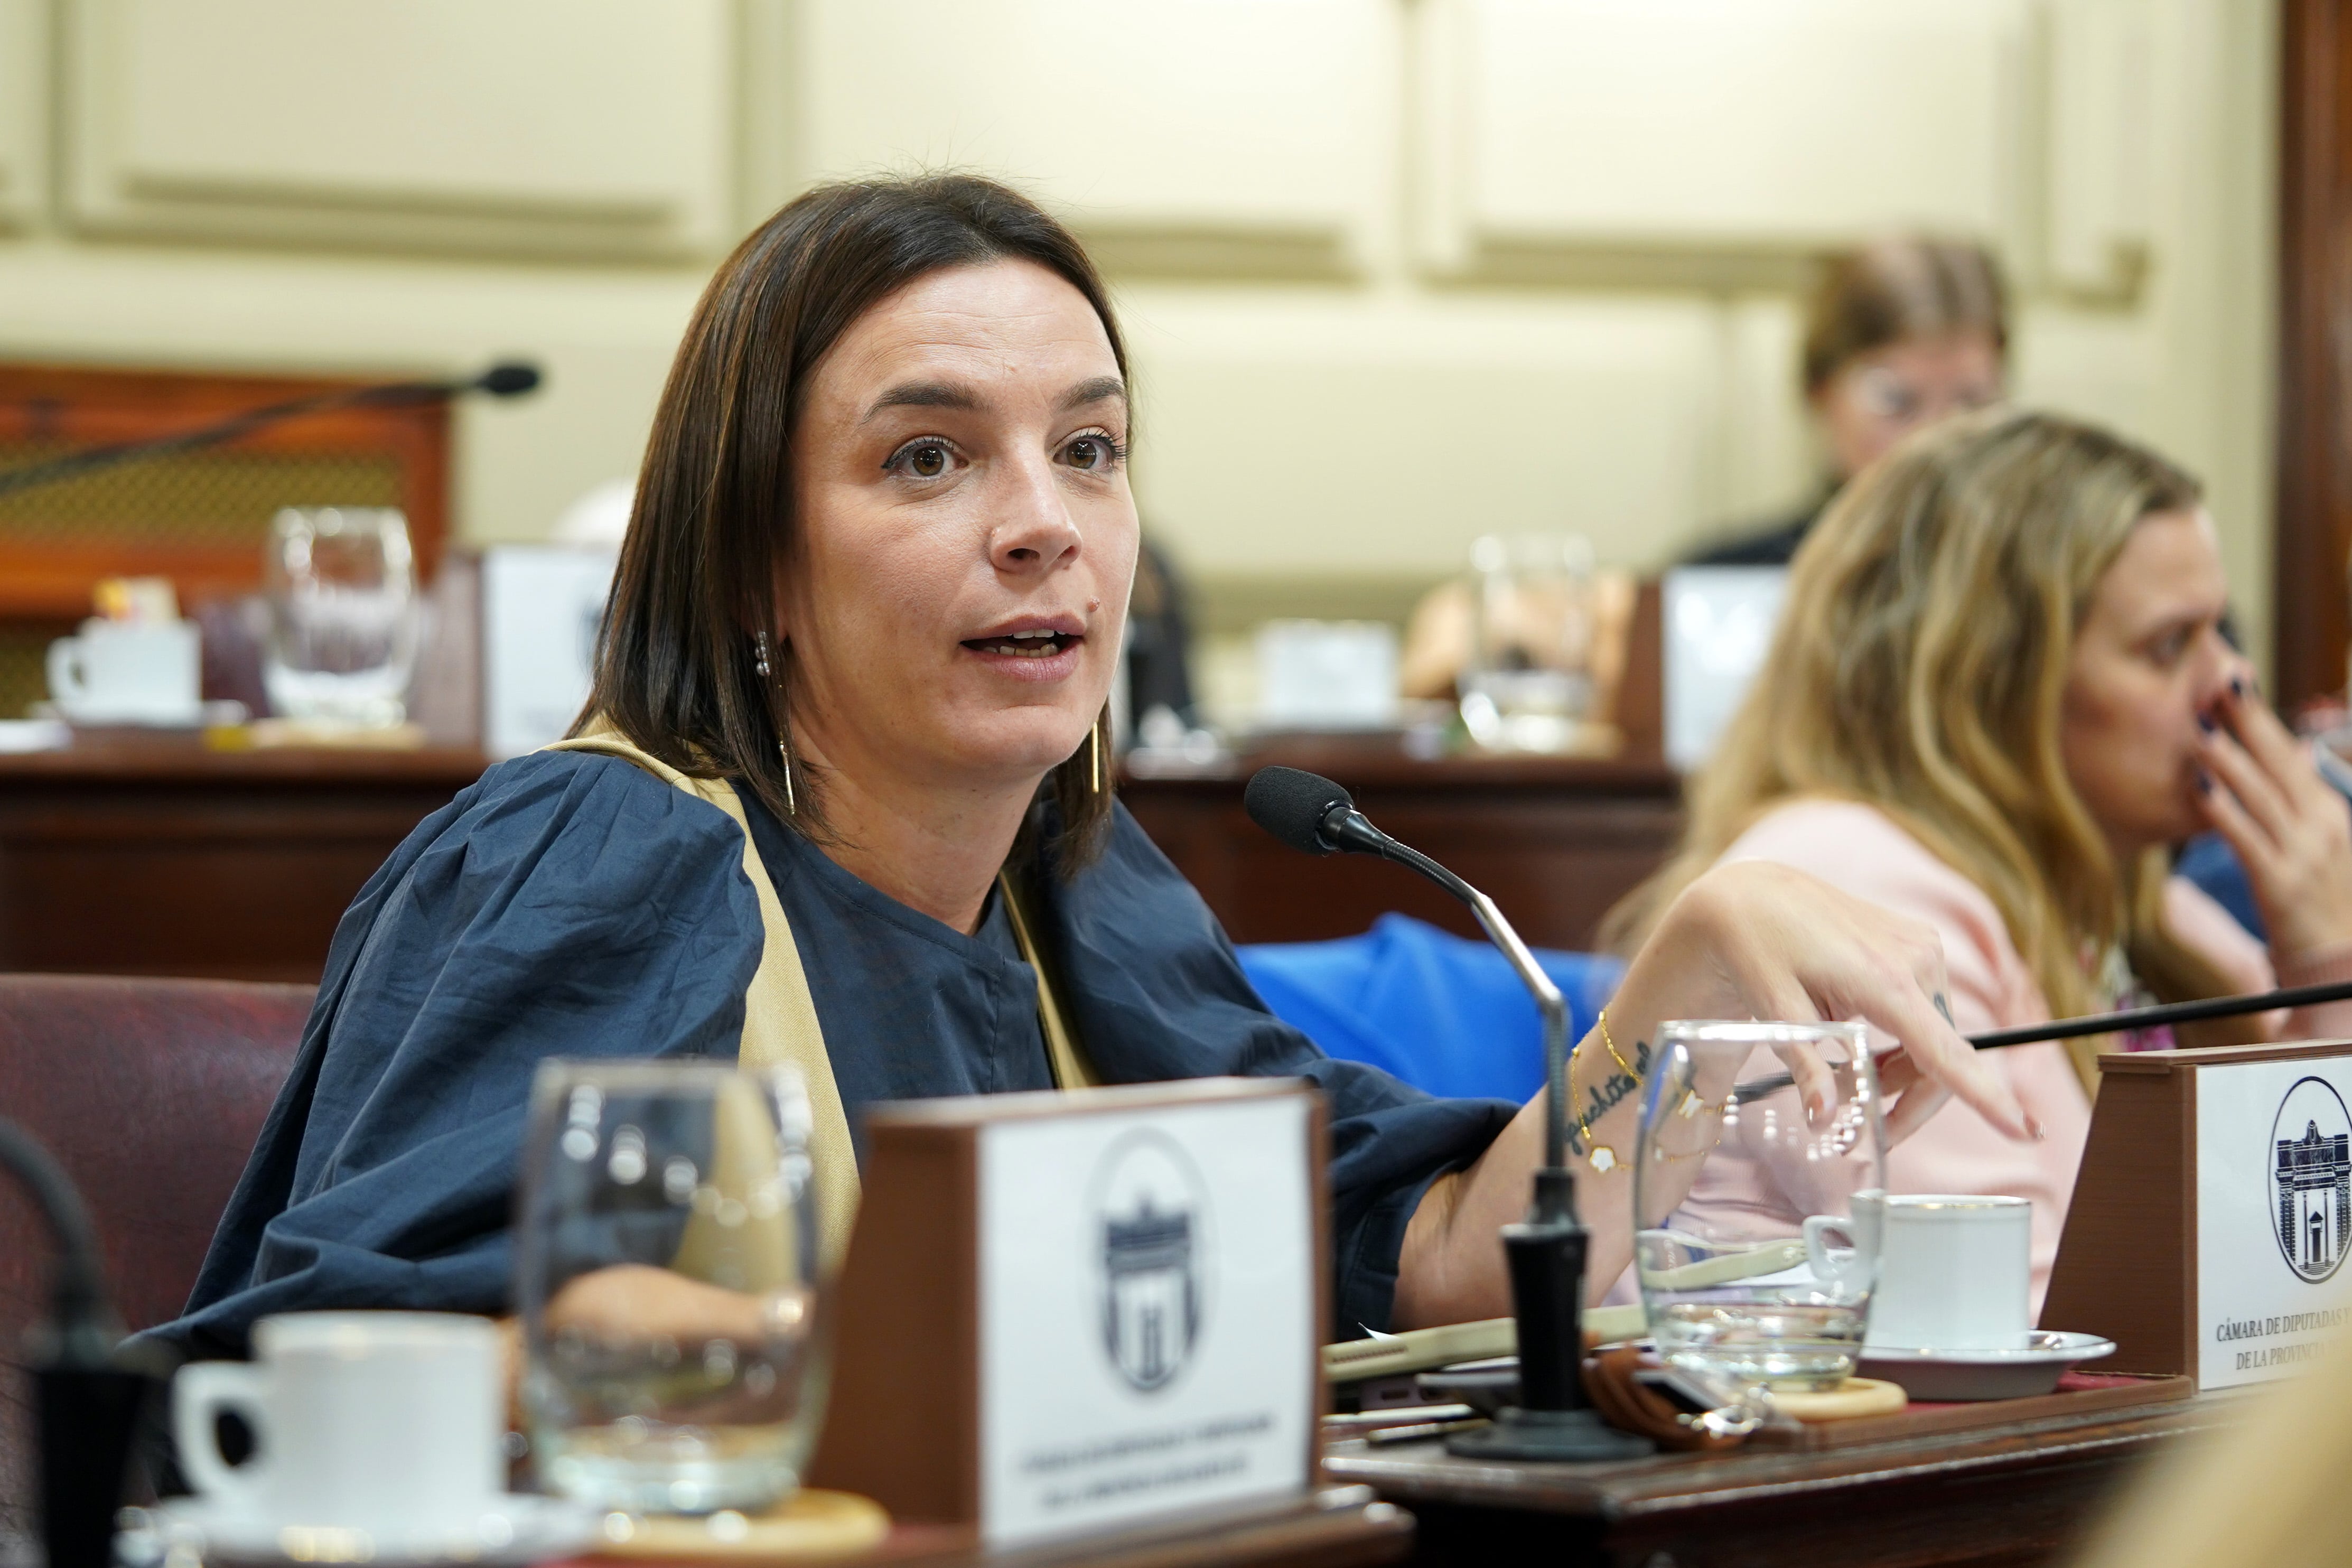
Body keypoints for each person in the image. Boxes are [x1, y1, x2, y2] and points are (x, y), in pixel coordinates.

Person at [152, 176, 2031, 1361]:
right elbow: (356, 1363)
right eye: (926, 458)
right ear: (747, 560)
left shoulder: (1083, 882)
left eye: (1091, 446)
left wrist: (1677, 985)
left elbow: (1436, 1257)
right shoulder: (599, 849)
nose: (1044, 525)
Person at [1609, 408, 2352, 1311]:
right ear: (1995, 684)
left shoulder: (2138, 909)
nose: (2230, 682)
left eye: (2221, 630)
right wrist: (2326, 969)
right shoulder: (1858, 885)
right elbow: (2030, 1327)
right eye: (2169, 644)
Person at [1685, 236, 2007, 566]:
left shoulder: (2036, 578)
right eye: (1897, 401)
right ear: (1820, 393)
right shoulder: (1721, 586)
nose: (1935, 437)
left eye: (1974, 406)